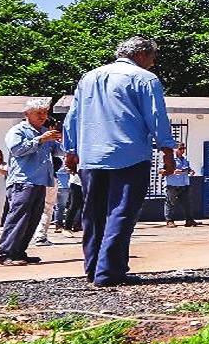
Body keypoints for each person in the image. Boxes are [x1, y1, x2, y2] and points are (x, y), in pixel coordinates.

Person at [63, 36, 177, 287]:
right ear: (142, 55)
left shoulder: (89, 77)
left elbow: (72, 116)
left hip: (91, 156)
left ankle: (93, 268)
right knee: (121, 213)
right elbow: (156, 116)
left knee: (93, 214)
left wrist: (70, 151)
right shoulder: (145, 79)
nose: (153, 63)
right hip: (130, 154)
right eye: (152, 58)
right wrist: (167, 150)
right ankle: (109, 273)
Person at [0, 98, 61, 266]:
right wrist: (40, 140)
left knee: (32, 219)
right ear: (27, 114)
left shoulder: (45, 132)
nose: (43, 117)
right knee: (18, 217)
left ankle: (19, 252)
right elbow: (17, 150)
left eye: (45, 113)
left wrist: (61, 139)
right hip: (23, 181)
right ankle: (3, 253)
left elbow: (58, 151)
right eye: (38, 113)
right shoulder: (17, 130)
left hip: (40, 181)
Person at [163, 142, 197, 226]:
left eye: (183, 149)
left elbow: (188, 169)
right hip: (172, 184)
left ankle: (189, 220)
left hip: (184, 184)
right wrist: (172, 172)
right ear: (175, 149)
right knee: (170, 202)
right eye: (180, 149)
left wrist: (191, 171)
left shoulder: (185, 160)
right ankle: (169, 221)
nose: (182, 151)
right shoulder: (169, 159)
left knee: (187, 203)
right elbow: (161, 171)